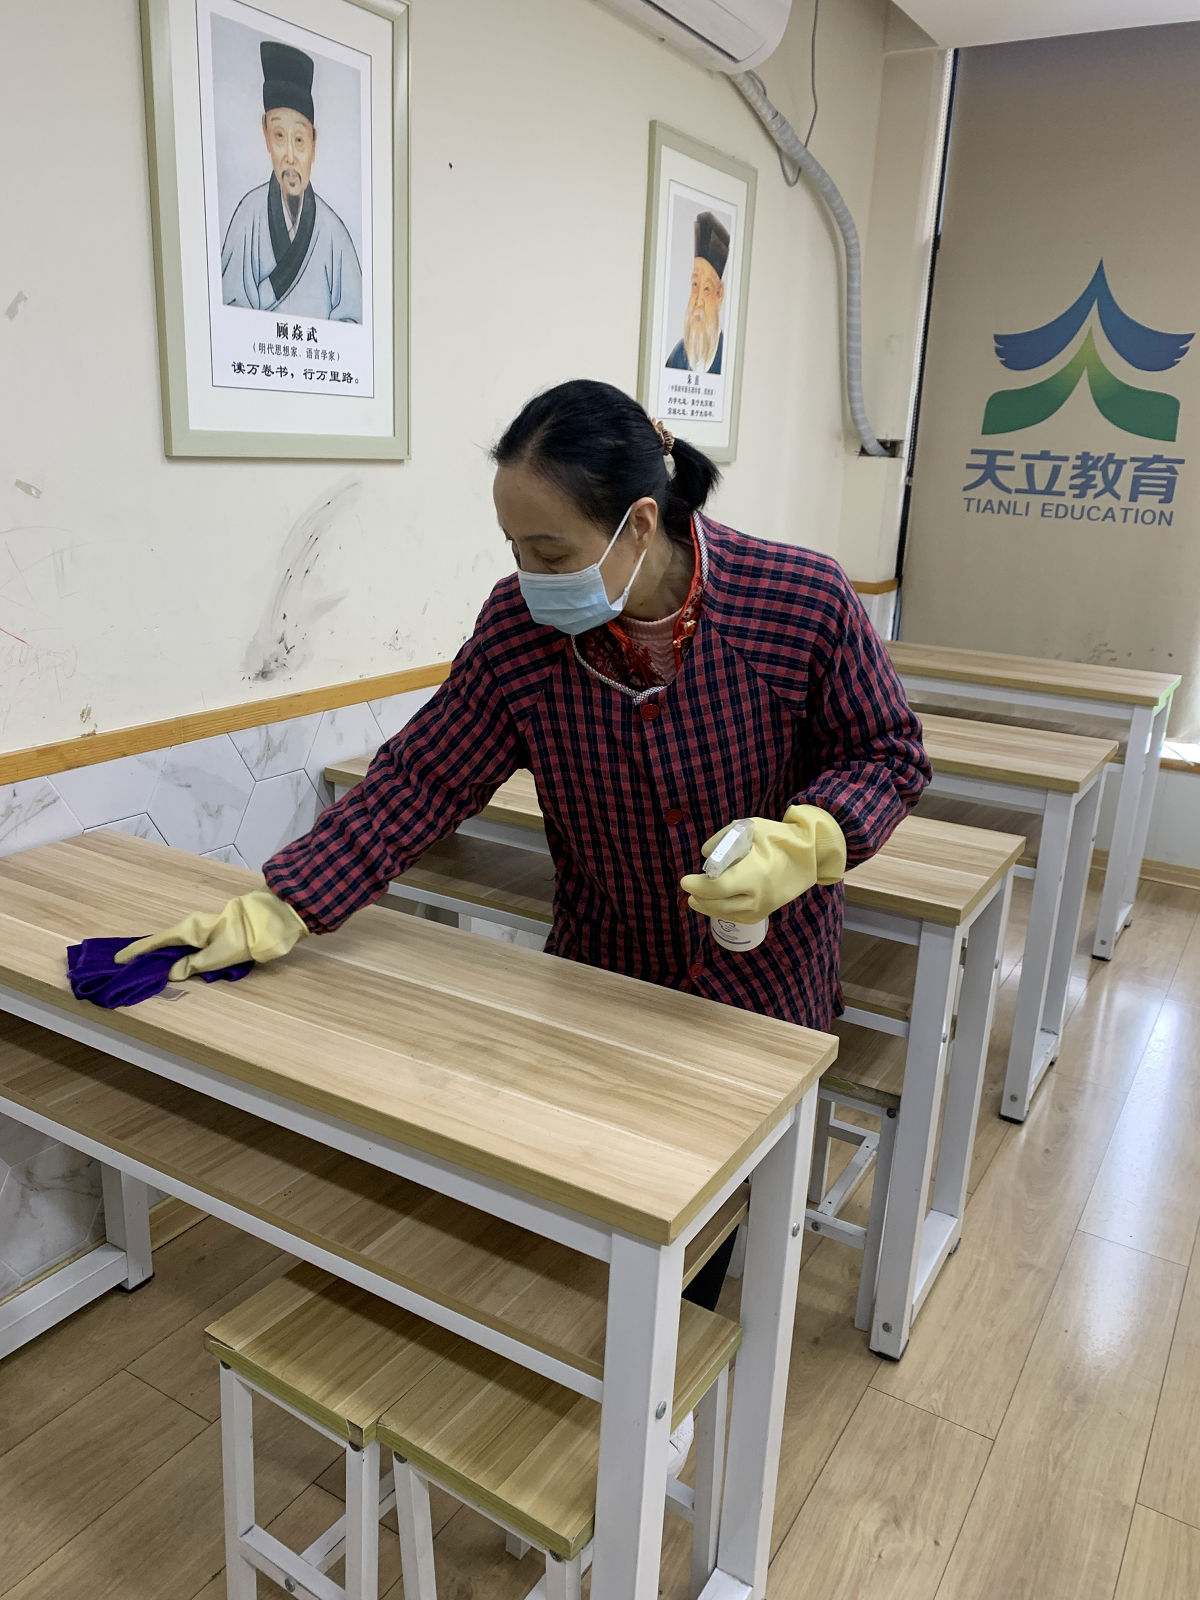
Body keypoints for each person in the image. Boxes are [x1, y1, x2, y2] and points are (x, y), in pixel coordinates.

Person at [120, 379, 929, 1470]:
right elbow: (424, 776)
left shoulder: (800, 601)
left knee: (700, 1218)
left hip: (759, 987)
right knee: (587, 1205)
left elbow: (888, 749)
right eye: (515, 550)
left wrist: (813, 839)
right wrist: (285, 898)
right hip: (599, 968)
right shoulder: (523, 630)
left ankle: (658, 1404)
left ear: (639, 523)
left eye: (551, 551)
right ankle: (572, 1395)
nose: (531, 577)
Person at [220, 40, 362, 322]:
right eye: (279, 136)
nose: (290, 156)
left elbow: (356, 322)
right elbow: (227, 314)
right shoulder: (247, 217)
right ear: (265, 134)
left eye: (299, 140)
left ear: (314, 142)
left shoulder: (334, 234)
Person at [665, 211, 729, 374]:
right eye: (695, 285)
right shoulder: (676, 357)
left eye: (707, 289)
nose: (698, 301)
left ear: (719, 295)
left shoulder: (726, 357)